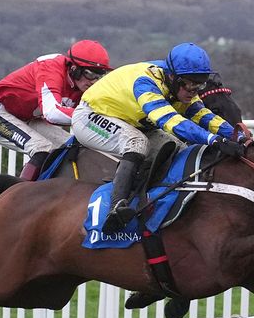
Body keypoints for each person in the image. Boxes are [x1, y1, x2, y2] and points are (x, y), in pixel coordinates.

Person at [71, 42, 244, 233]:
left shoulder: (181, 86)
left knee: (177, 146)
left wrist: (236, 134)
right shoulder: (146, 83)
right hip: (90, 116)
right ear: (172, 77)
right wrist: (214, 140)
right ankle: (116, 208)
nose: (193, 90)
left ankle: (149, 197)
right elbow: (172, 122)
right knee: (137, 143)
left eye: (199, 84)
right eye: (189, 84)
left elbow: (204, 116)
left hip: (131, 121)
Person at [0, 40, 112, 181]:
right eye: (90, 74)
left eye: (99, 76)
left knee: (69, 147)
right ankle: (22, 194)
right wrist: (90, 117)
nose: (93, 82)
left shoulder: (83, 87)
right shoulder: (50, 67)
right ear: (74, 69)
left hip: (30, 119)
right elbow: (52, 113)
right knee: (42, 148)